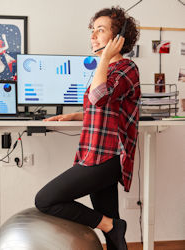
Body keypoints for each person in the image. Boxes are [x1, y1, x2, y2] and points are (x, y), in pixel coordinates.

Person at [35, 6, 141, 250]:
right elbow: (102, 108)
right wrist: (74, 115)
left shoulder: (126, 68)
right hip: (95, 151)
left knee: (46, 200)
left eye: (100, 30)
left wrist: (104, 57)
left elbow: (99, 97)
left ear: (118, 38)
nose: (93, 36)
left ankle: (110, 225)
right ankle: (113, 228)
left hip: (108, 156)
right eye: (92, 31)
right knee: (113, 236)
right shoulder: (107, 70)